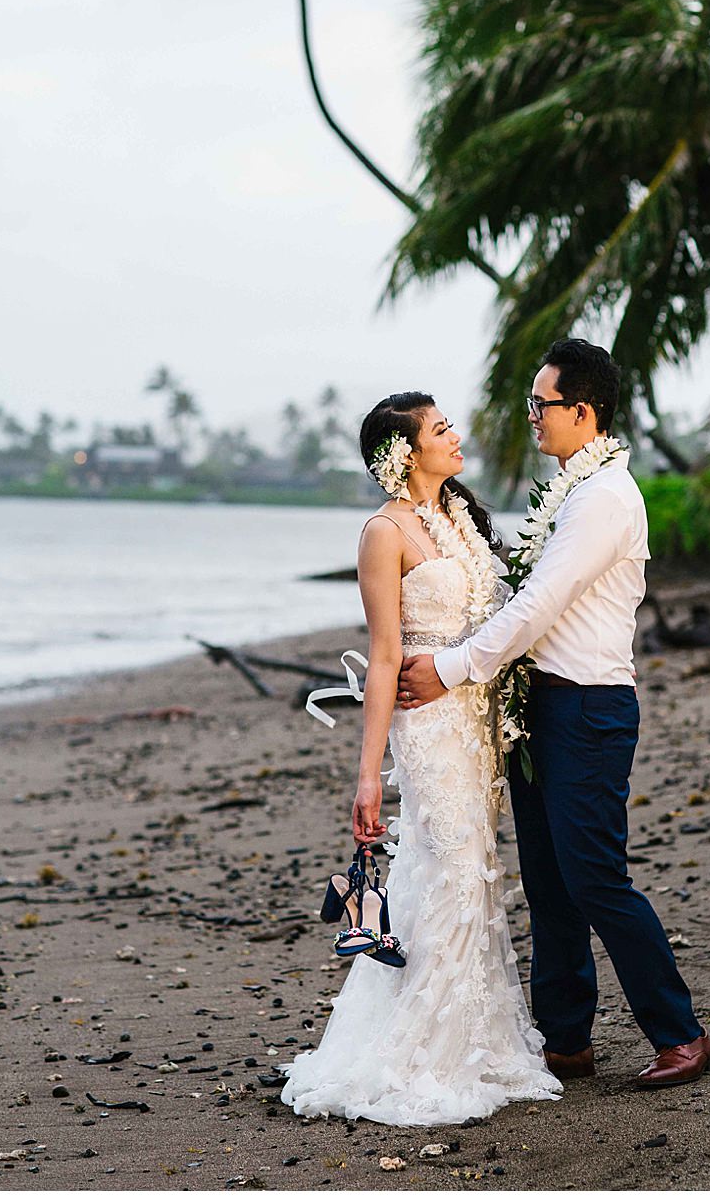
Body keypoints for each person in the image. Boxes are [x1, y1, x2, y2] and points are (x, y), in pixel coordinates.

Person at [398, 340, 710, 1089]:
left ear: (583, 412)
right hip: (540, 705)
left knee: (596, 877)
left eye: (542, 405)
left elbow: (537, 608)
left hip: (590, 710)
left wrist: (450, 668)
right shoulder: (575, 491)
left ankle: (681, 1035)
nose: (531, 417)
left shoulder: (606, 498)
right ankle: (566, 1039)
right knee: (547, 881)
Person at [280, 393, 561, 1127]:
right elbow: (381, 659)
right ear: (404, 453)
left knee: (472, 873)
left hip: (478, 726)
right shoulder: (384, 532)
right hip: (429, 728)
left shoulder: (458, 520)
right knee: (455, 869)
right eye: (440, 430)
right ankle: (423, 1057)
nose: (455, 436)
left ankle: (476, 1038)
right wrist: (368, 773)